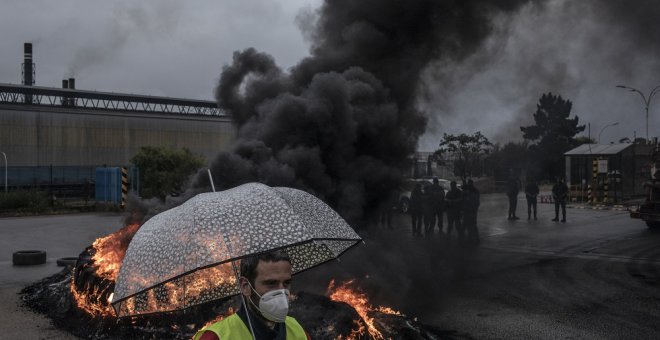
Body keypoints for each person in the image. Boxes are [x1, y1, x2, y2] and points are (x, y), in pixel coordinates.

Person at [194, 251, 310, 340]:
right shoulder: (216, 337)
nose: (281, 291)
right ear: (245, 286)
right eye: (271, 283)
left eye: (286, 283)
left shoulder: (298, 331)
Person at [461, 179, 480, 246]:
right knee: (470, 225)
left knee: (470, 225)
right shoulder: (470, 191)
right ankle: (474, 238)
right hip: (469, 211)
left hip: (471, 211)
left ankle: (472, 239)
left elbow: (475, 202)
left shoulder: (472, 191)